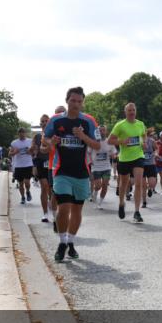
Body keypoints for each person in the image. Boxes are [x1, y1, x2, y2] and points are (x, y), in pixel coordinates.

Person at [44, 87, 100, 262]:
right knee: (64, 208)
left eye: (79, 101)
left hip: (82, 172)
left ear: (82, 102)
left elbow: (98, 146)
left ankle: (71, 242)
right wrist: (51, 142)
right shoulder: (55, 121)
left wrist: (83, 136)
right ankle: (62, 243)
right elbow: (45, 143)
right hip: (61, 171)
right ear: (67, 100)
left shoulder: (89, 121)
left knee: (77, 210)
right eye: (73, 101)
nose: (76, 104)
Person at [109, 103, 147, 223]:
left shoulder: (140, 124)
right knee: (124, 184)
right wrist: (121, 141)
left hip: (138, 156)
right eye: (129, 110)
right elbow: (110, 140)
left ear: (136, 111)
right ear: (125, 112)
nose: (131, 112)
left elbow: (144, 135)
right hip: (124, 159)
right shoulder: (120, 125)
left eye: (133, 110)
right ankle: (121, 203)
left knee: (139, 183)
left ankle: (137, 211)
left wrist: (144, 143)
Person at [32, 115, 55, 224]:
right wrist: (34, 167)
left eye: (47, 121)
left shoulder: (54, 135)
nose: (45, 123)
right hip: (41, 163)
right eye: (42, 121)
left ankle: (52, 206)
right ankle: (45, 213)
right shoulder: (37, 136)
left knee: (52, 190)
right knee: (44, 187)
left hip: (53, 163)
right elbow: (33, 152)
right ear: (40, 124)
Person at [90, 124, 116, 208]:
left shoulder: (109, 142)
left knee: (105, 185)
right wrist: (90, 162)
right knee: (98, 186)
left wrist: (114, 156)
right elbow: (88, 152)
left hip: (106, 167)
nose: (102, 132)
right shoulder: (93, 141)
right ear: (98, 132)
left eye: (103, 130)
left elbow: (113, 152)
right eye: (100, 130)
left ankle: (100, 203)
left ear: (106, 131)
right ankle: (95, 191)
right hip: (96, 167)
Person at [9, 127, 35, 204]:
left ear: (25, 133)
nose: (22, 134)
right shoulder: (14, 143)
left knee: (27, 182)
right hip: (18, 165)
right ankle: (23, 197)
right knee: (20, 184)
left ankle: (27, 191)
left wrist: (30, 152)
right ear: (18, 134)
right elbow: (9, 154)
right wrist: (15, 152)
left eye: (23, 133)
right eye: (20, 133)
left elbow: (34, 152)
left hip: (28, 164)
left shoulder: (30, 141)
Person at [141, 127, 159, 207]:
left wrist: (156, 153)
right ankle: (144, 202)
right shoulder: (139, 141)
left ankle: (150, 188)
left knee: (152, 183)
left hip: (151, 164)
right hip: (141, 164)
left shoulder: (152, 141)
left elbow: (156, 149)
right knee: (143, 185)